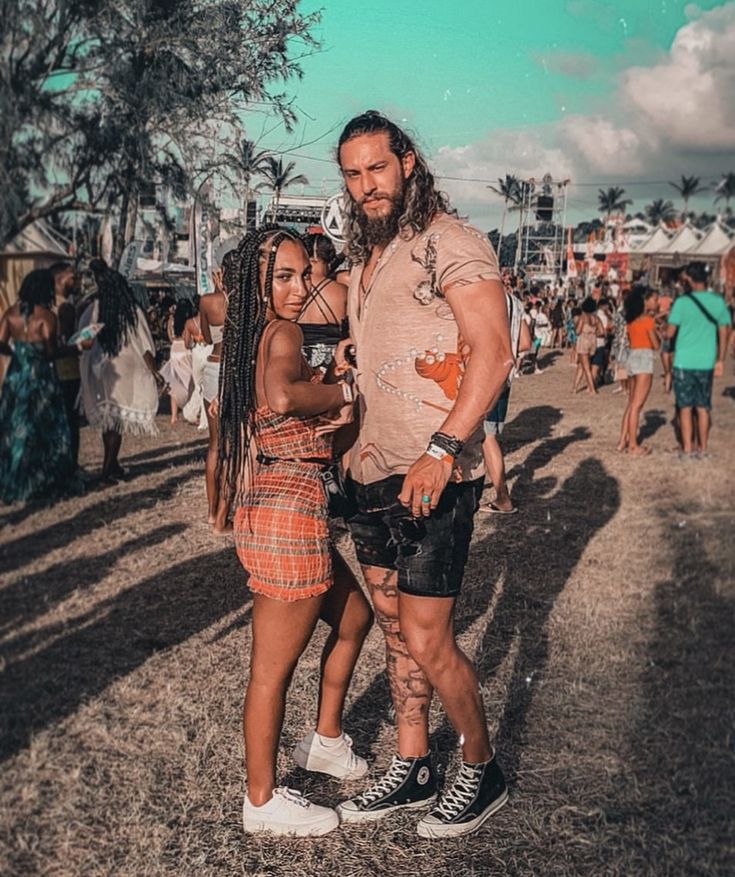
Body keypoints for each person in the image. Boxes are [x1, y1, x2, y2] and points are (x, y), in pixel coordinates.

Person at [334, 111, 512, 838]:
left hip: (432, 473)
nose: (364, 185)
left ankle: (481, 766)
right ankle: (414, 765)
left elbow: (493, 351)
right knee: (394, 632)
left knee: (428, 635)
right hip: (370, 474)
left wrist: (442, 448)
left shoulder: (453, 241)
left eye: (376, 167)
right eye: (351, 173)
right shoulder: (374, 252)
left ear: (407, 161)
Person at [217, 226, 373, 836]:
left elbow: (280, 402)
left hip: (280, 502)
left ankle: (326, 740)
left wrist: (327, 384)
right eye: (283, 276)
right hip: (288, 513)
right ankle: (261, 801)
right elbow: (283, 398)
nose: (300, 287)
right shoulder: (280, 332)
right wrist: (342, 389)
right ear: (256, 283)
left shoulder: (250, 340)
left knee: (354, 618)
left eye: (303, 274)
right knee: (271, 672)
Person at [78, 260, 165, 484]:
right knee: (115, 423)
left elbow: (83, 339)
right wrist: (155, 372)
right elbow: (146, 346)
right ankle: (107, 471)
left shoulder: (94, 309)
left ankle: (112, 465)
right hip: (127, 369)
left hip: (102, 369)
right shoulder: (132, 311)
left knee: (110, 421)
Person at [0, 269, 76, 502]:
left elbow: (0, 343)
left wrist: (17, 352)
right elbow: (51, 353)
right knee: (44, 430)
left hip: (16, 377)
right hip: (40, 377)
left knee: (16, 429)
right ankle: (42, 481)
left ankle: (14, 479)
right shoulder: (47, 316)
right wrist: (76, 347)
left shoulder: (11, 314)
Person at [666, 261, 731, 458]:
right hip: (706, 361)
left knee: (685, 407)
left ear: (690, 280)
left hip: (684, 361)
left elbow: (670, 332)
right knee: (703, 407)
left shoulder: (682, 302)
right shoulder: (717, 301)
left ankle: (687, 448)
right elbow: (724, 330)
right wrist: (720, 359)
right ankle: (703, 448)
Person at [479, 291, 532, 514]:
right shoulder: (514, 300)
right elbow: (525, 343)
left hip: (483, 375)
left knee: (485, 436)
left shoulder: (482, 296)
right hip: (504, 374)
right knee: (486, 434)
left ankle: (503, 497)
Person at [200, 258, 230, 531]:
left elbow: (208, 338)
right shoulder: (249, 299)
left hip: (213, 366)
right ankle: (226, 510)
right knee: (236, 443)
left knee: (214, 444)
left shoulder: (208, 300)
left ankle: (211, 511)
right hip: (234, 371)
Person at [617, 286, 659, 455]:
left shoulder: (631, 320)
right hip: (644, 358)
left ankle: (622, 441)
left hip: (632, 356)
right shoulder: (648, 320)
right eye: (654, 299)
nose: (656, 302)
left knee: (631, 403)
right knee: (637, 405)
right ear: (645, 300)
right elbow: (656, 344)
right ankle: (633, 445)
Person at [297, 233, 348, 368]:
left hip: (299, 363)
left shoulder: (294, 291)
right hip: (331, 365)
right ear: (329, 257)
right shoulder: (342, 292)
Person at [50, 261, 82, 470]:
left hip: (49, 370)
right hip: (68, 369)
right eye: (72, 277)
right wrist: (81, 344)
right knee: (71, 421)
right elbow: (67, 340)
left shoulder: (43, 304)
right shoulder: (66, 307)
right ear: (60, 279)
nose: (76, 281)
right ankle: (70, 466)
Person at [160, 299, 195, 424]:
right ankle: (192, 410)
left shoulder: (171, 320)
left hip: (174, 349)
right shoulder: (189, 321)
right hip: (186, 350)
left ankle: (174, 416)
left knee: (174, 382)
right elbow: (189, 338)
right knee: (190, 380)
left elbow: (170, 336)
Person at [572, 297, 601, 395]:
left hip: (583, 341)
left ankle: (592, 389)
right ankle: (574, 387)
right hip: (593, 341)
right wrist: (592, 332)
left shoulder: (583, 317)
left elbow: (577, 331)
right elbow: (602, 332)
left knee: (585, 367)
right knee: (581, 366)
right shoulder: (596, 318)